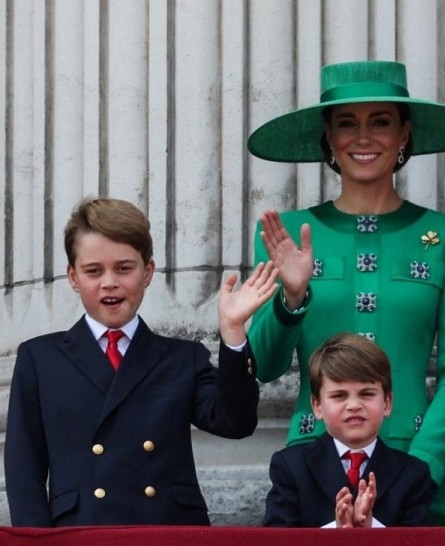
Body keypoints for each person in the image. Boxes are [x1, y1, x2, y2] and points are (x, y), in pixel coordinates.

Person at [246, 60, 445, 523]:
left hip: (413, 463)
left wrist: (426, 464)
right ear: (329, 138)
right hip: (313, 464)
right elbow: (265, 366)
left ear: (404, 134)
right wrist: (290, 299)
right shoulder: (288, 233)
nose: (363, 137)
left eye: (380, 122)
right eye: (346, 124)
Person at [4, 197, 278, 527]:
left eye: (124, 268)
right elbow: (24, 468)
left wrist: (232, 330)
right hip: (82, 532)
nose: (110, 282)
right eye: (93, 271)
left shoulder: (181, 358)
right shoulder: (41, 358)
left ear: (147, 272)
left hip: (167, 529)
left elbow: (234, 422)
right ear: (73, 277)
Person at [263, 333, 434, 527]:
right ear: (317, 405)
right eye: (339, 395)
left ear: (387, 403)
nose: (353, 405)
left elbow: (417, 539)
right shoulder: (291, 466)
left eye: (367, 393)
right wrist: (336, 531)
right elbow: (276, 537)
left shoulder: (412, 473)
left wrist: (371, 530)